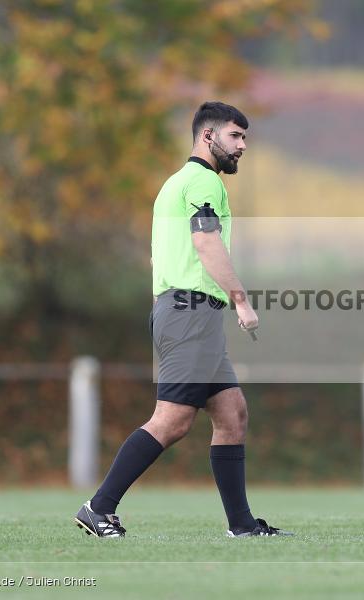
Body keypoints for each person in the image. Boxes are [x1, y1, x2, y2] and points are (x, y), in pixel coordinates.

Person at [75, 101, 291, 538]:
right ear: (207, 137)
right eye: (235, 136)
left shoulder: (176, 184)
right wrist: (241, 300)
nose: (242, 146)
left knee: (232, 412)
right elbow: (206, 243)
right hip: (188, 314)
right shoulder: (202, 181)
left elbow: (164, 253)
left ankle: (242, 526)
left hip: (193, 315)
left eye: (245, 137)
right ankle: (98, 508)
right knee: (172, 420)